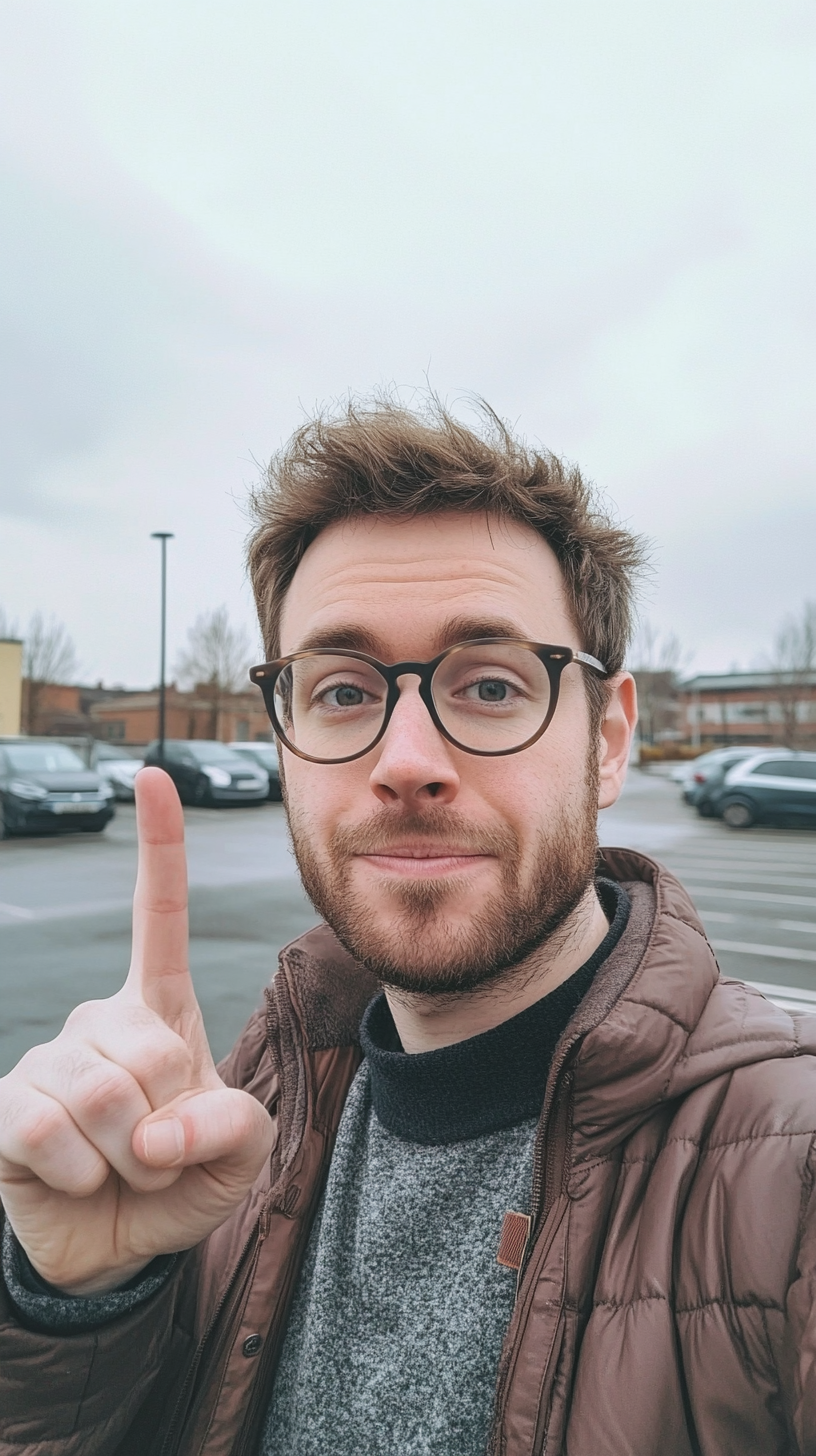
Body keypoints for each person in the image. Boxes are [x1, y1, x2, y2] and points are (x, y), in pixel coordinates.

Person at [1, 400, 814, 1456]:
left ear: (607, 740)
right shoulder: (236, 1105)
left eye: (488, 684)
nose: (407, 758)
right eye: (343, 690)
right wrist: (81, 1303)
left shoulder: (785, 1170)